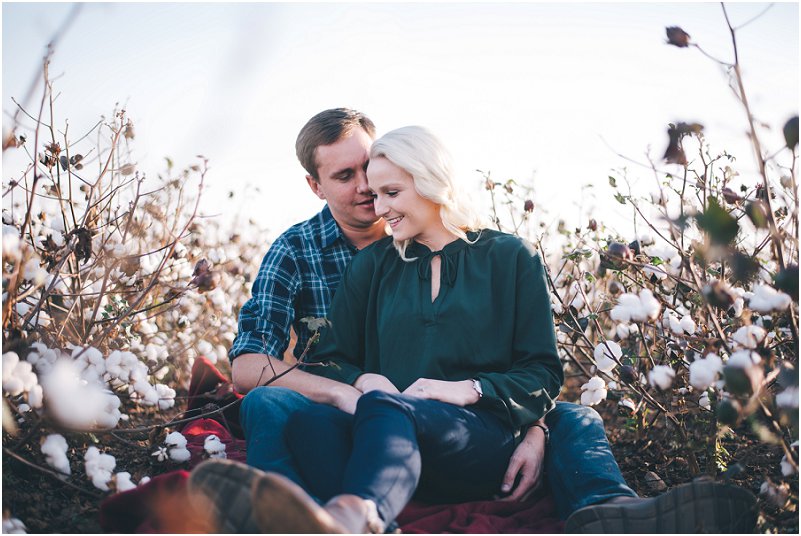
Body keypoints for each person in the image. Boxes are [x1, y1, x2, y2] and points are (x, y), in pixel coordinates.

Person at [189, 110, 757, 534]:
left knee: (571, 418)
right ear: (317, 185)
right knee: (280, 409)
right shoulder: (363, 261)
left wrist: (484, 398)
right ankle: (285, 516)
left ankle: (610, 513)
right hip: (380, 419)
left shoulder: (508, 257)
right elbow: (317, 359)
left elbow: (539, 370)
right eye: (354, 179)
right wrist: (359, 385)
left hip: (470, 430)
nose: (372, 196)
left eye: (386, 185)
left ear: (428, 181)